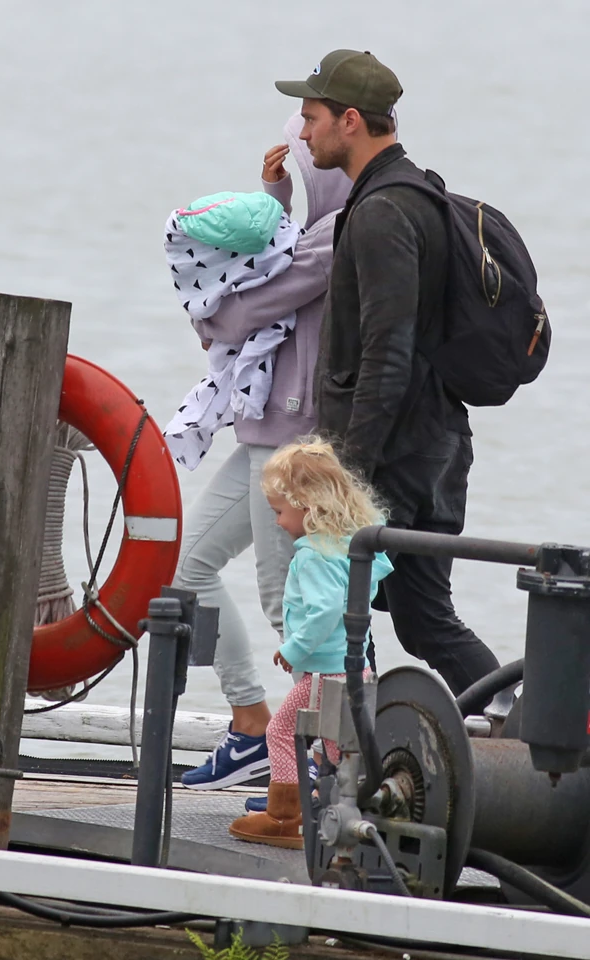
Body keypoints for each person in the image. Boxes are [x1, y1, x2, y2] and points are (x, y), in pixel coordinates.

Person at [274, 50, 500, 696]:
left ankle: (526, 732)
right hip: (429, 443)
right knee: (422, 619)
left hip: (396, 455)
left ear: (350, 120)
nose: (302, 132)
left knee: (357, 609)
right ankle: (516, 722)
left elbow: (387, 353)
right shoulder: (413, 194)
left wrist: (345, 473)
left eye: (311, 117)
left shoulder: (382, 213)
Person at [173, 115, 352, 789]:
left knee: (290, 607)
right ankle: (252, 724)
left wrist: (203, 313)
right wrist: (276, 198)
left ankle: (330, 763)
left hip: (294, 441)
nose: (303, 150)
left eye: (309, 139)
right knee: (185, 567)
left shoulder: (341, 232)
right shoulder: (319, 226)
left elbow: (258, 302)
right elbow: (276, 256)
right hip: (262, 431)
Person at [228, 437, 392, 848]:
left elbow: (325, 610)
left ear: (306, 505)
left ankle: (285, 817)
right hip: (353, 669)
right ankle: (348, 809)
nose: (277, 522)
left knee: (281, 732)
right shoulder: (349, 547)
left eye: (279, 512)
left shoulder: (313, 556)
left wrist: (294, 649)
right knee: (337, 747)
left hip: (323, 672)